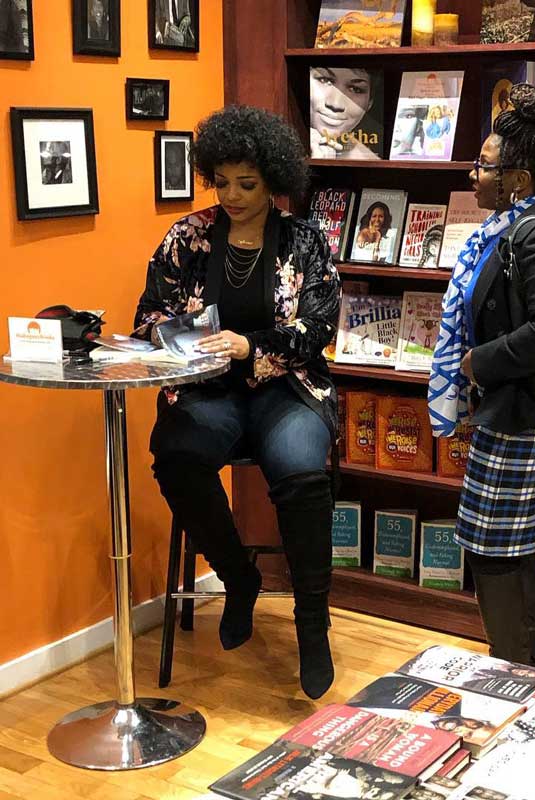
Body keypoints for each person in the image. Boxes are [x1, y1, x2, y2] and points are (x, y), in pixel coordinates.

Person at [133, 105, 341, 699]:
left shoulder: (304, 239)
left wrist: (252, 345)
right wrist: (184, 336)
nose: (231, 195)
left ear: (272, 180)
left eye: (246, 184)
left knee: (301, 473)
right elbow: (148, 316)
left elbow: (320, 323)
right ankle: (239, 576)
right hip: (210, 388)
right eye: (221, 182)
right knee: (174, 453)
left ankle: (311, 624)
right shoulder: (187, 237)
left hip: (287, 386)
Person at [428, 84, 535, 666]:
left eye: (485, 165)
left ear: (517, 179)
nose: (475, 174)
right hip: (521, 410)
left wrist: (478, 362)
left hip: (530, 414)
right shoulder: (510, 228)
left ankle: (513, 665)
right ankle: (522, 662)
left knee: (495, 548)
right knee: (511, 548)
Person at [309, 66, 380, 160]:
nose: (336, 104)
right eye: (324, 80)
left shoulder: (372, 166)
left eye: (355, 89)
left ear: (370, 103)